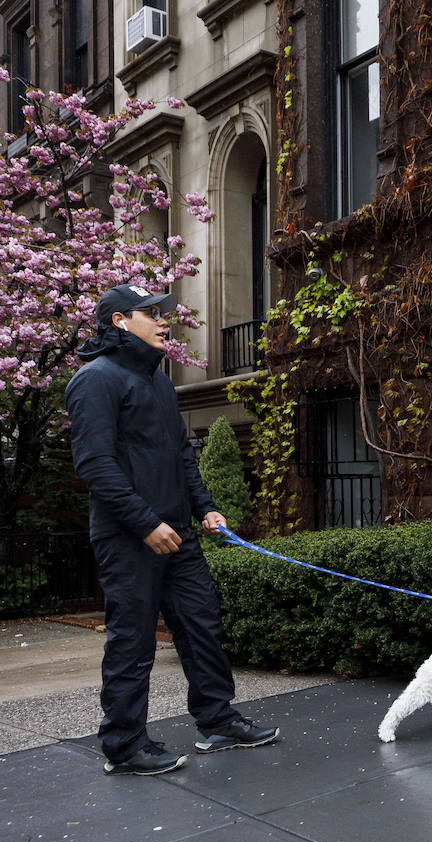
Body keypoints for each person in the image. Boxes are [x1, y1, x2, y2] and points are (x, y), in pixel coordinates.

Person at [64, 284, 279, 776]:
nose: (165, 320)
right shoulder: (95, 381)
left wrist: (205, 508)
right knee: (132, 641)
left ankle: (217, 721)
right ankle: (124, 746)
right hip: (128, 538)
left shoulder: (159, 382)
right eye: (151, 313)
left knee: (203, 626)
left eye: (164, 312)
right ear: (120, 321)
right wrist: (146, 523)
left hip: (178, 532)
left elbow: (182, 455)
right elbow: (95, 466)